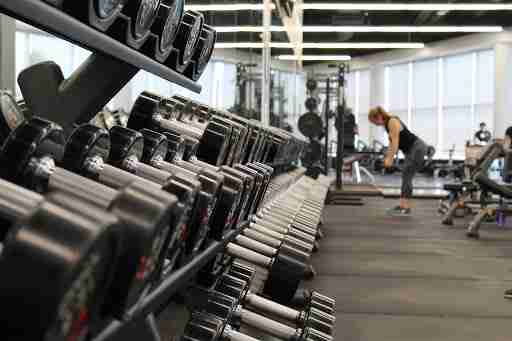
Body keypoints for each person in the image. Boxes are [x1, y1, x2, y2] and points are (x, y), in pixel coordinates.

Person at [368, 106, 428, 216]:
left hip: (417, 148)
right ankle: (403, 205)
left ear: (379, 116)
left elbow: (395, 142)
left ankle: (405, 207)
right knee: (406, 175)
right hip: (412, 150)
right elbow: (392, 144)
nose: (375, 124)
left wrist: (390, 159)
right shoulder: (387, 125)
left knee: (406, 174)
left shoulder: (392, 121)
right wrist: (388, 157)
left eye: (374, 121)